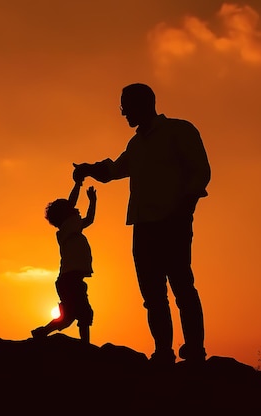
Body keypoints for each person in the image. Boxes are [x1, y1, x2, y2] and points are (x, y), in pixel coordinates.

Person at [73, 83, 211, 366]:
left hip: (173, 223)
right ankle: (163, 352)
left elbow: (201, 173)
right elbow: (113, 170)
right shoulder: (136, 144)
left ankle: (195, 351)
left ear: (144, 104)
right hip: (143, 227)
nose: (123, 113)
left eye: (126, 106)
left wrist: (185, 210)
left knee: (182, 289)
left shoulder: (179, 131)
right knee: (153, 295)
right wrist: (88, 168)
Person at [31, 180, 97, 344]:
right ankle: (85, 346)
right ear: (66, 215)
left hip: (70, 280)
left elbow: (89, 219)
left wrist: (93, 202)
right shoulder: (67, 227)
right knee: (83, 313)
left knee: (68, 318)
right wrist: (78, 184)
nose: (77, 210)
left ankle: (42, 332)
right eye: (74, 210)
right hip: (70, 280)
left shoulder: (72, 227)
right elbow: (71, 204)